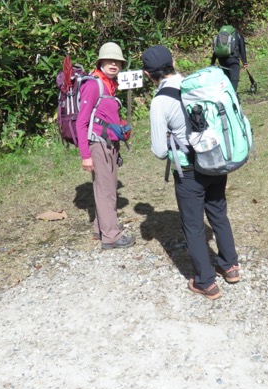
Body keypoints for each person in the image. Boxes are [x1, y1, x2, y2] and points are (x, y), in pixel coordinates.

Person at [142, 45, 241, 300]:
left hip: (189, 172)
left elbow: (159, 151)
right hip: (215, 161)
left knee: (194, 226)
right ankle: (230, 266)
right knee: (218, 212)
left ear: (146, 74)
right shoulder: (195, 85)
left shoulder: (160, 101)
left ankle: (205, 282)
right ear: (173, 62)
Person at [76, 42, 135, 249]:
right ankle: (111, 236)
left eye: (117, 61)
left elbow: (104, 116)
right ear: (100, 61)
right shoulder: (93, 85)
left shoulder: (109, 84)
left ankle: (99, 228)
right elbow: (81, 122)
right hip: (98, 145)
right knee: (107, 190)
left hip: (109, 143)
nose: (114, 64)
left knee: (104, 187)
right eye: (109, 60)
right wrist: (85, 154)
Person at [210, 24, 247, 93]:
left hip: (221, 60)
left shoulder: (220, 36)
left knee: (226, 78)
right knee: (234, 78)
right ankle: (233, 95)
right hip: (233, 60)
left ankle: (226, 94)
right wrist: (245, 62)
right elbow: (242, 49)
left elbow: (215, 50)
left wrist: (213, 62)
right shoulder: (238, 35)